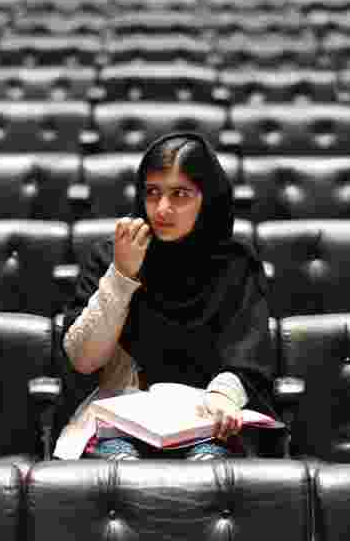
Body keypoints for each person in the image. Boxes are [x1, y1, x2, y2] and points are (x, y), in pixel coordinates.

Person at [54, 132, 277, 460]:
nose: (162, 208)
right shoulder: (112, 255)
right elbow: (84, 359)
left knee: (209, 466)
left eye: (180, 194)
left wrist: (223, 397)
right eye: (153, 192)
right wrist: (122, 276)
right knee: (119, 466)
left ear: (207, 198)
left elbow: (248, 356)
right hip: (120, 417)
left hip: (206, 418)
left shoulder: (235, 264)